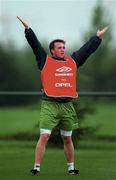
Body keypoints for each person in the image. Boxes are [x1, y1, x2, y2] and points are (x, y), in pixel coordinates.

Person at [17, 16, 108, 176]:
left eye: (63, 47)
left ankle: (71, 168)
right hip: (49, 105)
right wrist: (28, 30)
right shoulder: (44, 61)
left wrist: (97, 37)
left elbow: (86, 50)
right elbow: (35, 45)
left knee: (67, 139)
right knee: (44, 136)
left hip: (67, 106)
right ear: (52, 50)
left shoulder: (72, 61)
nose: (62, 49)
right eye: (59, 47)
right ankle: (36, 168)